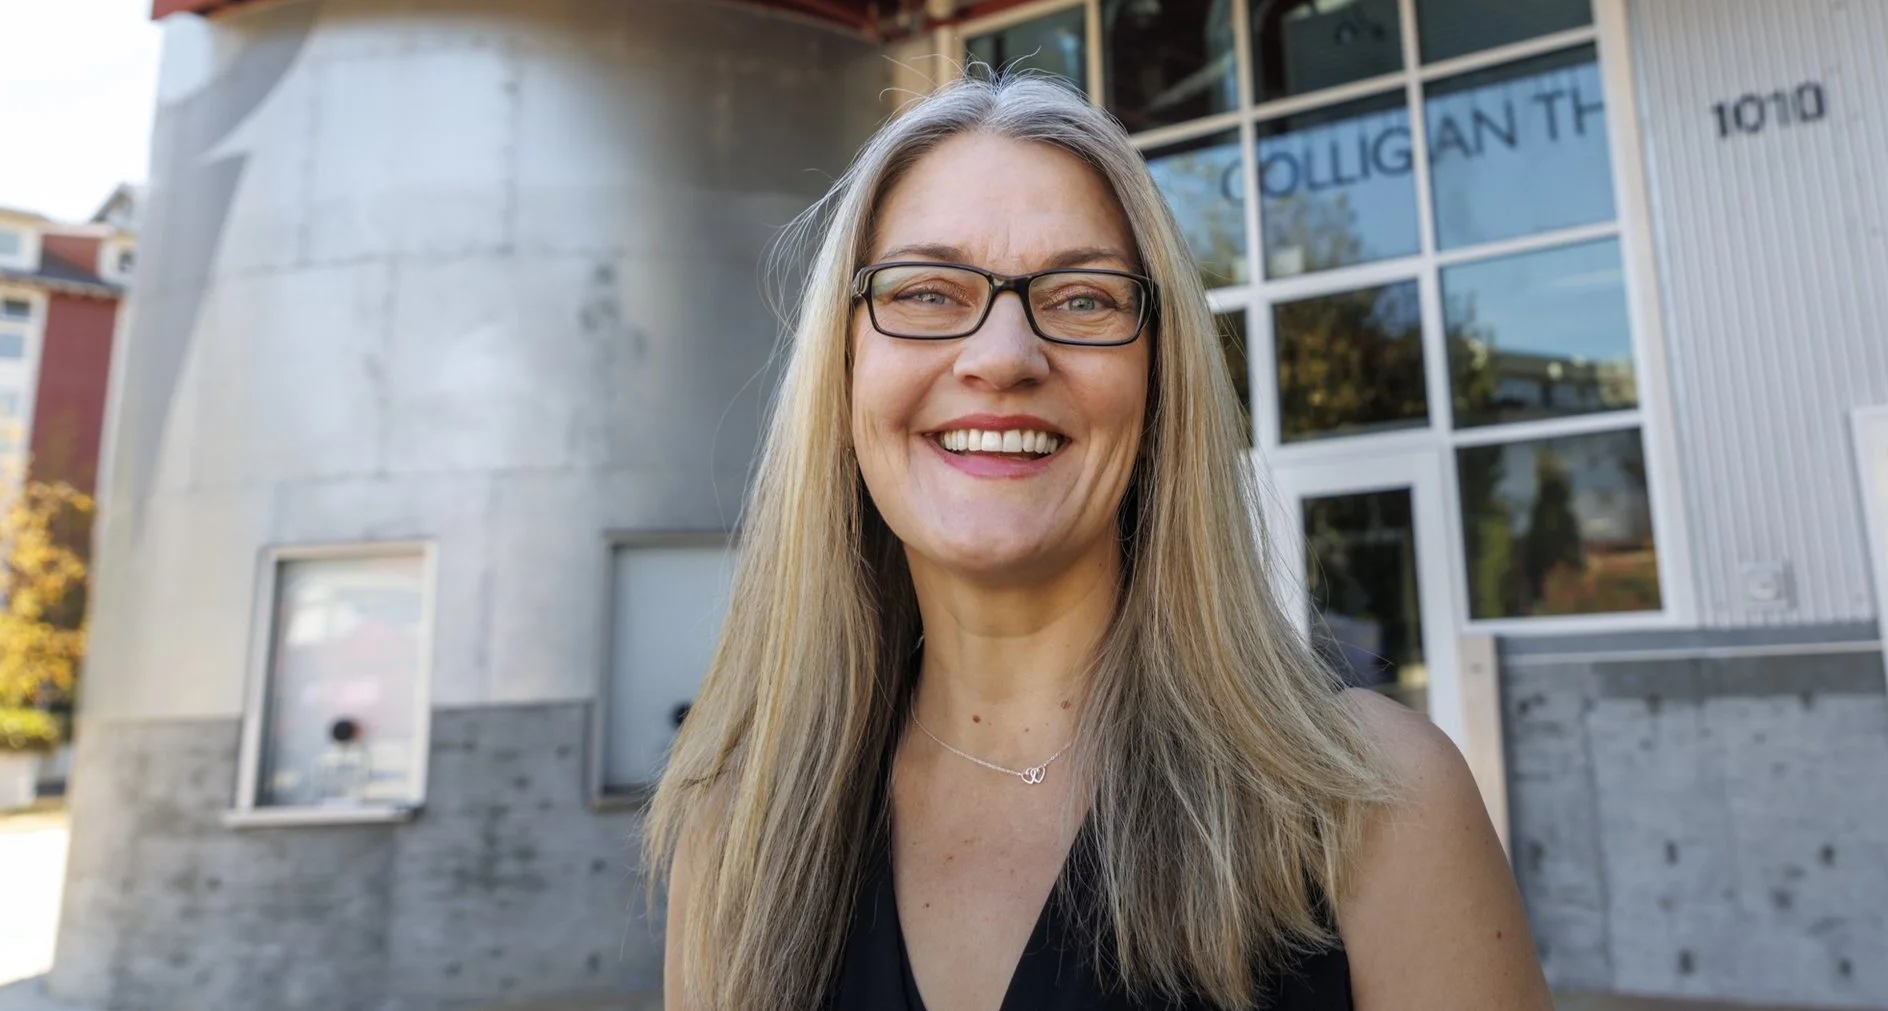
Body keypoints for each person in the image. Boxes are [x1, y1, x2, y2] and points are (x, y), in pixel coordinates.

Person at [650, 73, 1550, 1011]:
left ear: (1162, 386)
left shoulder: (1376, 805)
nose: (1002, 356)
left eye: (1083, 299)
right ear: (841, 378)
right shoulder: (735, 840)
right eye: (924, 290)